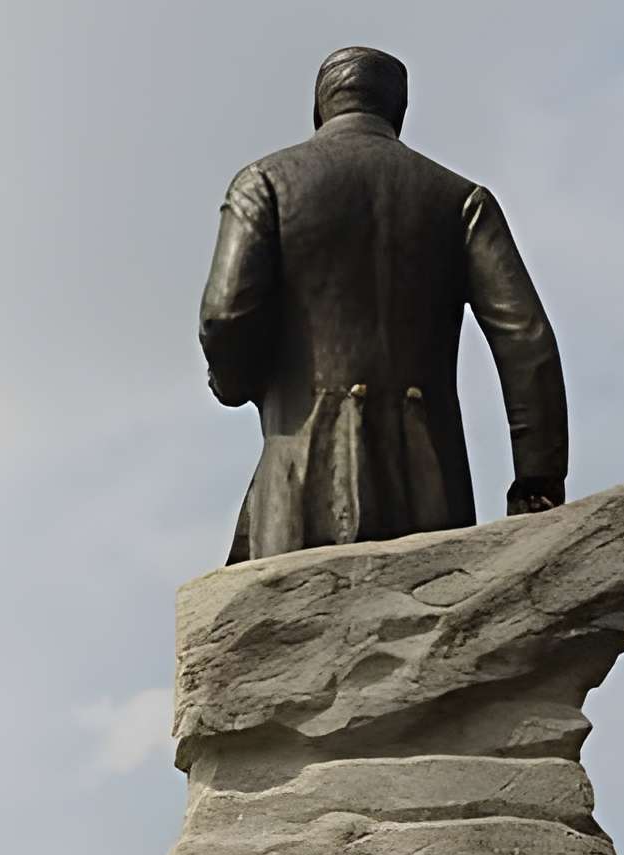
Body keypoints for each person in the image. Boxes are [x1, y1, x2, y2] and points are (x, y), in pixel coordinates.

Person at [200, 46, 568, 563]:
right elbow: (526, 340)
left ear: (319, 109)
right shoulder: (462, 202)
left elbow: (223, 316)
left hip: (298, 486)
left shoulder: (264, 183)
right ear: (398, 112)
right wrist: (538, 481)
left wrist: (233, 381)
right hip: (428, 490)